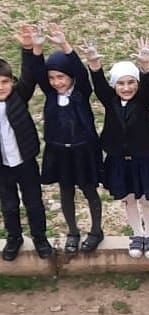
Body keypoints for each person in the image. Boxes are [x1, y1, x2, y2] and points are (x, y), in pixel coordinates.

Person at [82, 38, 149, 260]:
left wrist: (145, 66)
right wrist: (94, 63)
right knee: (128, 199)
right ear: (114, 86)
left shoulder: (144, 101)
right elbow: (99, 84)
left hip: (143, 159)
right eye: (121, 83)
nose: (126, 88)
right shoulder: (110, 101)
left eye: (131, 82)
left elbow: (147, 87)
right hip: (119, 160)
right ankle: (137, 234)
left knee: (146, 199)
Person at [37, 24, 104, 255]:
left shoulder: (81, 92)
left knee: (89, 190)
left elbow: (81, 72)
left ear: (71, 77)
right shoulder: (50, 94)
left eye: (61, 77)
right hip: (60, 152)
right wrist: (36, 49)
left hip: (83, 150)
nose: (57, 82)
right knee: (66, 192)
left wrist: (65, 46)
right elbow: (37, 71)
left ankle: (96, 231)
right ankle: (73, 232)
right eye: (52, 78)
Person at [0, 24, 53, 261]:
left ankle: (40, 238)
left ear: (12, 82)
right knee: (9, 205)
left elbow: (29, 75)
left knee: (34, 203)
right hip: (2, 166)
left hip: (26, 161)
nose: (1, 87)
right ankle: (14, 238)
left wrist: (28, 48)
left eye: (5, 81)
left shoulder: (19, 96)